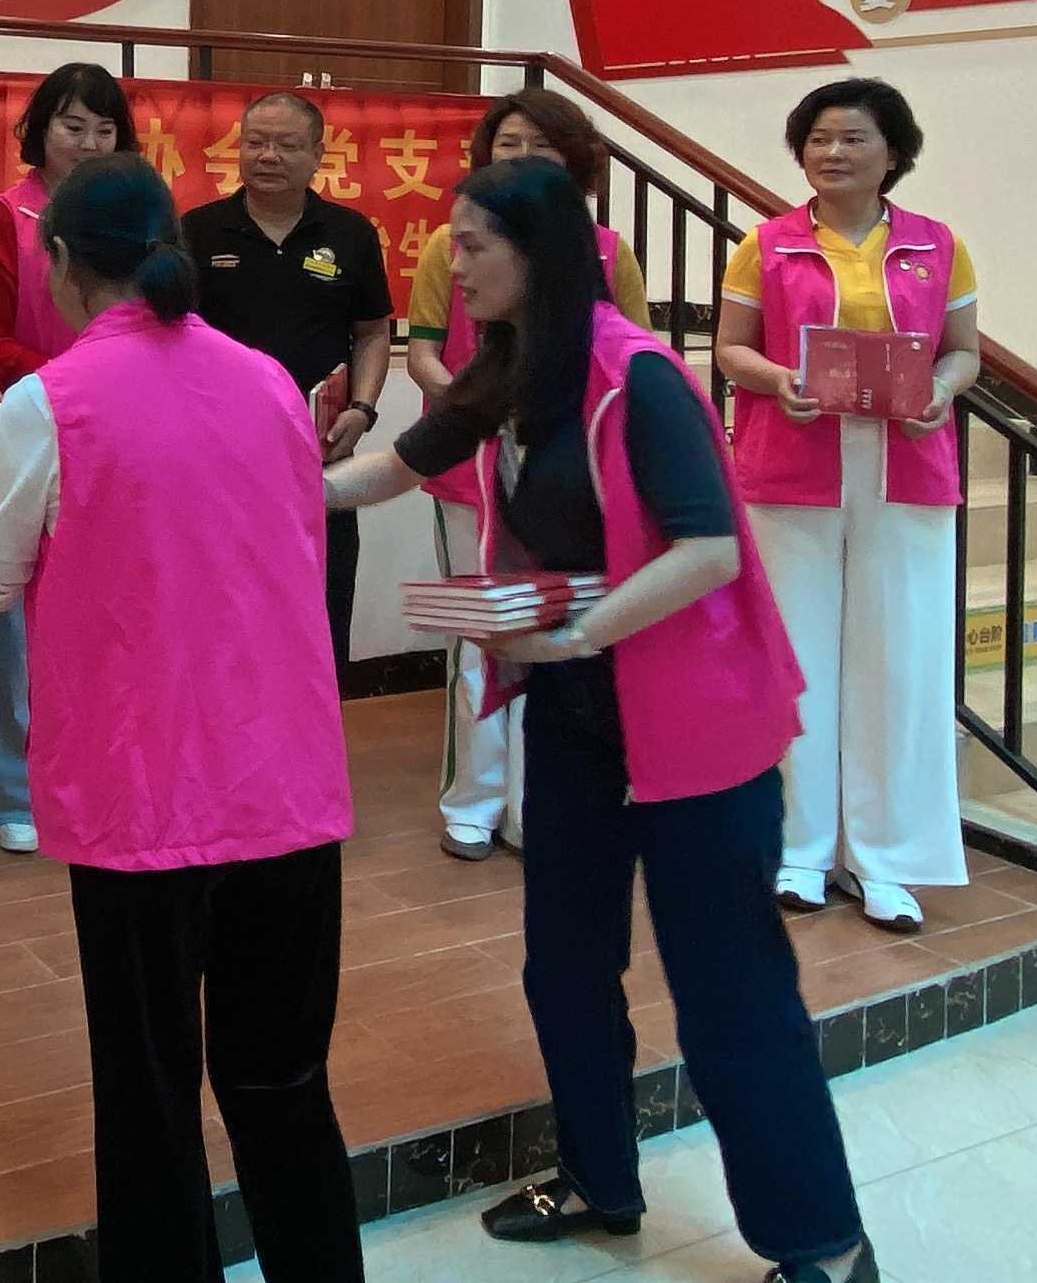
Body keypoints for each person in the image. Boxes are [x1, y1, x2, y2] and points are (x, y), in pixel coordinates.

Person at [330, 158, 876, 1283]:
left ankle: (822, 1244)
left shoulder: (642, 380)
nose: (453, 264)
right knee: (566, 965)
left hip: (693, 728)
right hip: (579, 719)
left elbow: (708, 549)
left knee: (729, 993)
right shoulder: (509, 367)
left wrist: (577, 634)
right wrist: (259, 476)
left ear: (537, 255)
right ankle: (599, 1182)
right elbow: (394, 469)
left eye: (474, 244)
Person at [0, 154, 359, 1283]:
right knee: (284, 1087)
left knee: (149, 1093)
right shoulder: (269, 381)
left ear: (62, 264)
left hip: (143, 801)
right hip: (283, 786)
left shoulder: (49, 401)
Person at [714, 78, 980, 935]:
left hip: (906, 467)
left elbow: (963, 353)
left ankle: (886, 859)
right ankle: (796, 848)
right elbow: (730, 349)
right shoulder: (766, 245)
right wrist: (778, 379)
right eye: (819, 139)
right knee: (794, 658)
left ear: (893, 153)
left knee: (898, 662)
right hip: (792, 464)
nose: (833, 153)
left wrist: (942, 389)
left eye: (854, 138)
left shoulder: (939, 245)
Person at [403, 88, 652, 862]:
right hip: (469, 469)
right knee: (481, 637)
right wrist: (475, 409)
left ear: (573, 160)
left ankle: (539, 803)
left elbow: (634, 356)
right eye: (507, 143)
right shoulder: (449, 245)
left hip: (569, 479)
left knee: (556, 634)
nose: (521, 158)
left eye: (540, 146)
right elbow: (424, 351)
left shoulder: (608, 251)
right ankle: (474, 799)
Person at [0, 59, 131, 854]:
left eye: (104, 129)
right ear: (39, 130)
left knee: (113, 616)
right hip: (33, 426)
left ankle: (99, 774)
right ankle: (15, 792)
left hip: (120, 434)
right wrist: (70, 383)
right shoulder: (7, 216)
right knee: (16, 624)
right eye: (72, 126)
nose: (88, 143)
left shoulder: (135, 219)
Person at [181, 89, 394, 666]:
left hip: (323, 451)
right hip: (221, 455)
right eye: (255, 142)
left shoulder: (350, 233)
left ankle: (319, 719)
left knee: (321, 607)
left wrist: (363, 410)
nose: (268, 156)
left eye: (286, 145)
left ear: (318, 154)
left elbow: (372, 333)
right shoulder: (198, 231)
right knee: (225, 611)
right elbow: (173, 339)